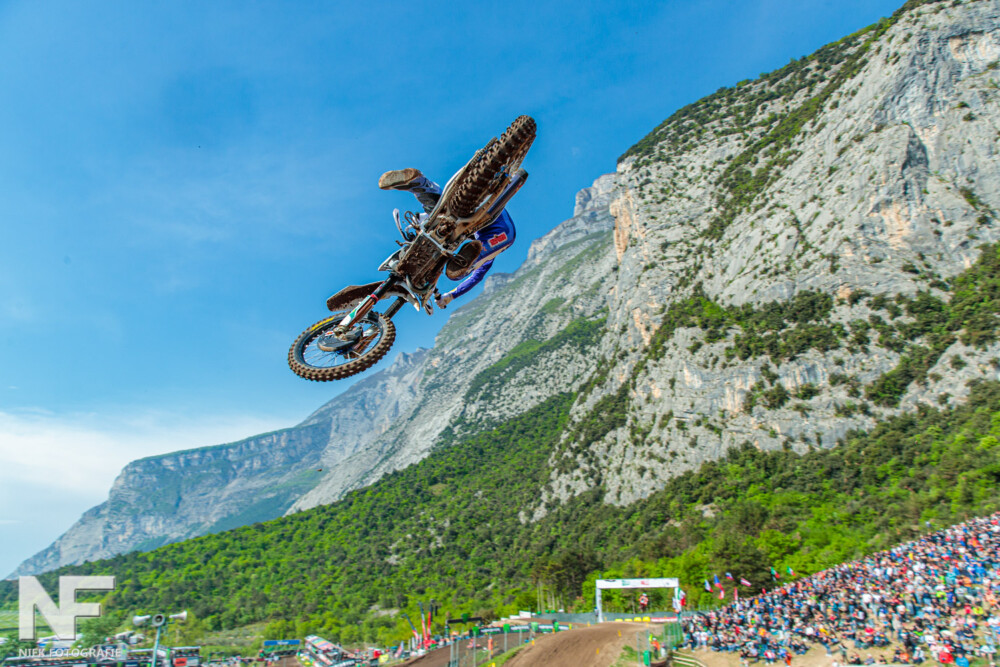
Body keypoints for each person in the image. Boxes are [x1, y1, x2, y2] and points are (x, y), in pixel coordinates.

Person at [378, 168, 516, 309]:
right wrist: (451, 296)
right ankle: (421, 186)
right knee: (457, 270)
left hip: (485, 218)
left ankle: (420, 185)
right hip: (499, 229)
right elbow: (476, 277)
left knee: (445, 216)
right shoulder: (485, 251)